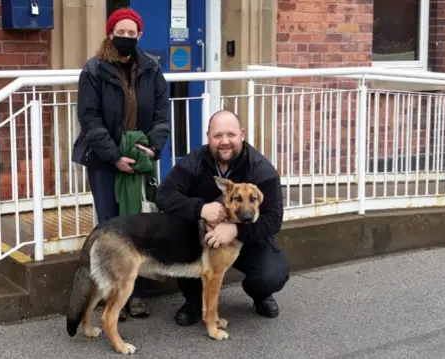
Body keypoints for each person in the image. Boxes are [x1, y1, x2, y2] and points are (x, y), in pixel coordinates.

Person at [71, 7, 170, 321]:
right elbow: (90, 119)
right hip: (104, 160)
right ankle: (114, 295)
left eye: (132, 33)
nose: (126, 37)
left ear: (139, 35)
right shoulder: (94, 70)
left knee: (139, 226)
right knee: (113, 227)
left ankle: (136, 294)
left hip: (140, 157)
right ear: (110, 32)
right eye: (121, 32)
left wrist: (153, 148)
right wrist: (114, 156)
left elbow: (161, 116)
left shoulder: (152, 69)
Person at [155, 109, 290, 326]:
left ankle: (260, 294)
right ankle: (193, 300)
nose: (224, 141)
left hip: (249, 238)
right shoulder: (194, 162)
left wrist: (236, 230)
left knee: (271, 274)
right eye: (218, 136)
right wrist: (200, 208)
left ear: (242, 134)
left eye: (231, 135)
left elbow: (274, 219)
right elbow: (163, 195)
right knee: (181, 234)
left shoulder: (261, 169)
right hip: (202, 238)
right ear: (209, 137)